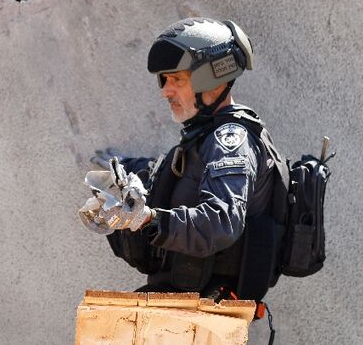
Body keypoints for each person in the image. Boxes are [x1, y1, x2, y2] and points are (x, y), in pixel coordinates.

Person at [78, 17, 289, 303]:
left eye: (176, 79)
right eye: (164, 80)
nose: (165, 91)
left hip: (205, 311)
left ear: (212, 78)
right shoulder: (202, 139)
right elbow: (179, 182)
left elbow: (221, 221)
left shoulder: (230, 142)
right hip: (181, 304)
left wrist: (148, 219)